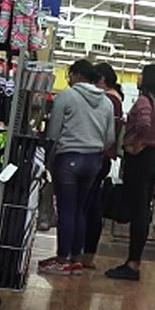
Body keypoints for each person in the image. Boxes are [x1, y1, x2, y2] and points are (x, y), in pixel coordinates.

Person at [41, 60, 115, 276]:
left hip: (68, 158)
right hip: (94, 160)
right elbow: (110, 137)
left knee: (66, 209)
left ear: (77, 75)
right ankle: (76, 259)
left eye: (70, 75)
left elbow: (53, 131)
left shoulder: (67, 95)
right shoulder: (107, 102)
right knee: (80, 209)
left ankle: (62, 258)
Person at [105, 64, 155, 281]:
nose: (138, 77)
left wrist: (136, 143)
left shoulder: (144, 101)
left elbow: (143, 123)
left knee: (138, 213)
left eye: (141, 74)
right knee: (142, 211)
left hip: (141, 159)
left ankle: (132, 264)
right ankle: (134, 261)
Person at [82, 63, 124, 270]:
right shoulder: (116, 100)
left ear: (101, 80)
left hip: (97, 156)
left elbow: (106, 134)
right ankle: (86, 254)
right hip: (104, 157)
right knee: (92, 204)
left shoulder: (108, 100)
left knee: (89, 205)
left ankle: (85, 254)